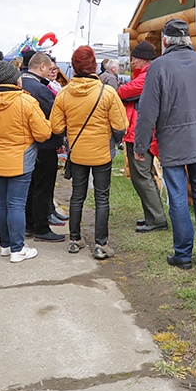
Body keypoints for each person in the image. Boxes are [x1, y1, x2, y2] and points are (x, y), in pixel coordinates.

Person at [134, 19, 196, 270]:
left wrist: (139, 146)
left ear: (165, 41)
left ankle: (183, 255)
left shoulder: (159, 66)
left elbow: (147, 112)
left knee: (177, 196)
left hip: (173, 142)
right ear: (188, 40)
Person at [51, 46, 128, 260]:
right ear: (94, 65)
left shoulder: (64, 94)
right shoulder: (107, 92)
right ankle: (101, 244)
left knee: (77, 196)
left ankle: (75, 239)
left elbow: (56, 127)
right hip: (102, 152)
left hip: (76, 152)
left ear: (74, 67)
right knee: (102, 198)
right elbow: (121, 124)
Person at [0, 61, 52, 263]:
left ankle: (6, 246)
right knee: (16, 204)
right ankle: (18, 249)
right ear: (16, 79)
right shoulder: (26, 101)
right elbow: (43, 133)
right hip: (20, 159)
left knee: (1, 203)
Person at [117, 41, 167, 233]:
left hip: (141, 134)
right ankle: (152, 216)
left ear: (144, 59)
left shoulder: (147, 76)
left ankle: (157, 218)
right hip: (140, 132)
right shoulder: (147, 75)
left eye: (135, 58)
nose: (132, 61)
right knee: (142, 176)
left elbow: (122, 91)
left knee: (142, 176)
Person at [21, 52, 64, 242]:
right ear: (42, 67)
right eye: (50, 69)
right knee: (42, 188)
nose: (50, 73)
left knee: (30, 186)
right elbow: (53, 114)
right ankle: (41, 227)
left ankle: (29, 224)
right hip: (44, 144)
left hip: (26, 143)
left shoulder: (21, 82)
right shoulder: (39, 89)